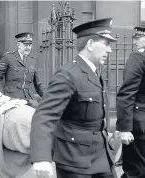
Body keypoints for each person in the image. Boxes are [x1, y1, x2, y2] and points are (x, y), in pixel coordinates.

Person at [30, 18, 117, 178]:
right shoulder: (68, 75)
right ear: (90, 44)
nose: (110, 50)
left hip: (100, 156)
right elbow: (44, 116)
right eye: (106, 44)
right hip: (75, 160)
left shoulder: (95, 72)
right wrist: (41, 157)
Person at [0, 89, 37, 178]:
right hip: (12, 134)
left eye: (1, 94)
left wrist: (24, 101)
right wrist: (1, 109)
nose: (0, 95)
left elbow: (36, 103)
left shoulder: (12, 102)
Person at [116, 27, 145, 178]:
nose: (134, 42)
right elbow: (127, 93)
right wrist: (125, 128)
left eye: (138, 38)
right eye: (134, 38)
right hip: (139, 125)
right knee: (137, 172)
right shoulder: (137, 58)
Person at [0, 32, 43, 103]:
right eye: (25, 45)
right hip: (12, 98)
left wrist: (46, 97)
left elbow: (37, 82)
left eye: (29, 45)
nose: (28, 48)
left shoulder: (32, 59)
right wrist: (1, 95)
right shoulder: (8, 57)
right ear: (18, 45)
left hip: (29, 99)